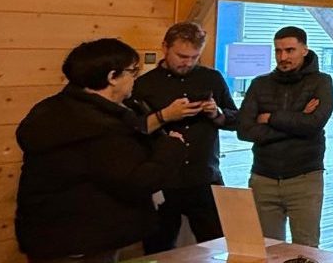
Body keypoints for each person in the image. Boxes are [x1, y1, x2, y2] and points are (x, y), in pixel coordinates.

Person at [16, 38, 187, 263]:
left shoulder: (52, 108)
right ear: (112, 77)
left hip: (52, 235)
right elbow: (137, 181)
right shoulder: (100, 127)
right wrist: (171, 147)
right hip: (83, 239)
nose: (135, 78)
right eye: (132, 71)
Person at [131, 22, 239, 253]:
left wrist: (216, 112)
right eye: (182, 56)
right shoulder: (144, 85)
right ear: (165, 47)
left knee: (218, 247)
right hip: (163, 181)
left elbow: (236, 119)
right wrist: (165, 116)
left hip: (205, 178)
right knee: (158, 250)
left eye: (194, 57)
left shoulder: (212, 78)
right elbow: (133, 131)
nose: (188, 63)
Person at [237, 26, 333, 248]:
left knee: (306, 248)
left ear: (304, 50)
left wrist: (270, 118)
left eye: (290, 50)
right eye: (278, 51)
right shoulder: (260, 84)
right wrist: (297, 119)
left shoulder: (321, 82)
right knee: (268, 248)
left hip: (304, 177)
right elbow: (244, 130)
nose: (283, 57)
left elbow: (313, 124)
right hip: (264, 177)